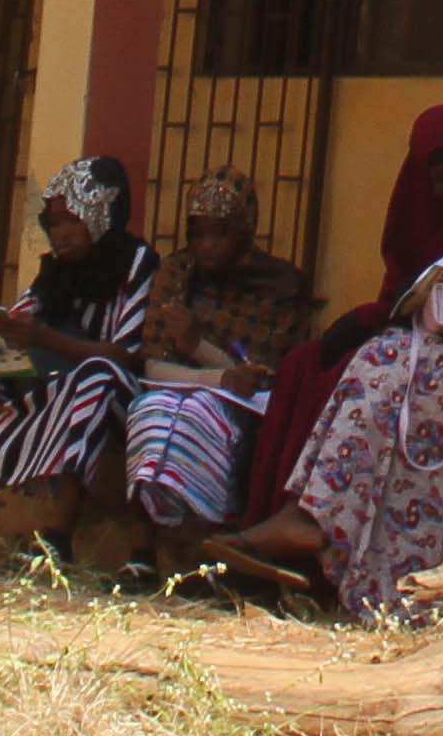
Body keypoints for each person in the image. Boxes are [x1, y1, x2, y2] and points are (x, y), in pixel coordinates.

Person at [241, 102, 443, 523]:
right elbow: (400, 288)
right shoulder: (419, 213)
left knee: (367, 374)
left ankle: (313, 523)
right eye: (440, 179)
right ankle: (275, 514)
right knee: (305, 364)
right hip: (407, 327)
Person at [0, 155, 155, 540]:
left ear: (100, 215)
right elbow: (21, 317)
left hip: (114, 399)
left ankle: (57, 538)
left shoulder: (136, 263)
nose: (61, 233)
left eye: (72, 220)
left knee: (97, 376)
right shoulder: (57, 270)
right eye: (55, 222)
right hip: (53, 385)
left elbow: (125, 355)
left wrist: (47, 340)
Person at [119, 167, 318, 534]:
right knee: (153, 412)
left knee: (200, 416)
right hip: (176, 390)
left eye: (219, 234)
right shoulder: (178, 272)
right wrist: (215, 374)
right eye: (198, 233)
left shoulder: (279, 287)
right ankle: (144, 549)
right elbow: (154, 365)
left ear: (243, 231)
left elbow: (257, 380)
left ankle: (206, 538)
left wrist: (199, 347)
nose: (205, 245)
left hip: (242, 410)